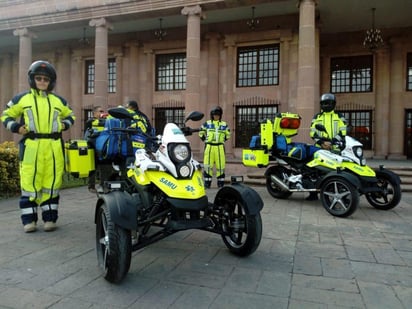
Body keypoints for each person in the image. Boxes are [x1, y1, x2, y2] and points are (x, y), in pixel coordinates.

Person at [0, 60, 75, 232]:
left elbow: (71, 115)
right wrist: (17, 128)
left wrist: (65, 124)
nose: (42, 81)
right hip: (31, 147)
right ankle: (29, 221)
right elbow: (6, 115)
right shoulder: (22, 99)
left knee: (52, 183)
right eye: (39, 78)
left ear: (51, 82)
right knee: (29, 184)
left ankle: (50, 219)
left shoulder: (59, 101)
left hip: (54, 147)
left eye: (46, 79)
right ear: (32, 79)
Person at [307, 92, 347, 200]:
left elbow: (343, 131)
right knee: (315, 170)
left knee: (337, 170)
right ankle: (313, 193)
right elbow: (312, 132)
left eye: (329, 103)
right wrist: (321, 142)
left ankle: (338, 190)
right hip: (320, 148)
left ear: (334, 104)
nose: (327, 105)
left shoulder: (339, 116)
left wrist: (333, 142)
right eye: (324, 103)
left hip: (336, 148)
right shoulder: (317, 116)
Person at [199, 106, 231, 188]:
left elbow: (228, 134)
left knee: (221, 165)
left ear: (220, 115)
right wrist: (205, 139)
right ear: (212, 115)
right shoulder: (207, 123)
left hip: (220, 147)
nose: (216, 116)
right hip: (209, 147)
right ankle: (207, 183)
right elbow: (201, 132)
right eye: (215, 115)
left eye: (218, 115)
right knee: (207, 165)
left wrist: (222, 139)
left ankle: (220, 183)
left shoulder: (224, 124)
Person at [84, 106, 107, 193]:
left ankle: (103, 184)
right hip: (92, 147)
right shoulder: (90, 122)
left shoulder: (105, 121)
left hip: (102, 147)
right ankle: (91, 186)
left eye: (103, 111)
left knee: (104, 167)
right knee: (92, 167)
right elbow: (87, 135)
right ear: (94, 113)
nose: (102, 113)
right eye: (100, 111)